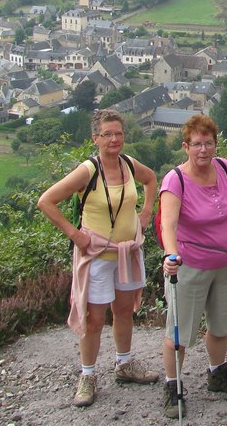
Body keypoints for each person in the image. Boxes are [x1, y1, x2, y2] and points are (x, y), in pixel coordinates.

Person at [37, 109, 159, 408]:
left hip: (127, 253)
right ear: (96, 138)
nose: (114, 139)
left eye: (118, 133)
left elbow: (152, 179)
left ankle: (124, 363)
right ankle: (88, 375)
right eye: (107, 134)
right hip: (98, 257)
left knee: (124, 311)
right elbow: (46, 201)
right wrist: (76, 235)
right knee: (94, 319)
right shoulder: (88, 171)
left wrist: (145, 212)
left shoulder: (129, 165)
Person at [159, 115, 227, 417]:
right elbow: (168, 225)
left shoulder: (225, 168)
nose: (203, 149)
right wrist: (171, 255)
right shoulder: (176, 179)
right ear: (186, 146)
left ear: (215, 145)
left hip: (226, 263)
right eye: (197, 144)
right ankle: (173, 388)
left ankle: (218, 373)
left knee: (220, 325)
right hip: (191, 267)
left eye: (208, 143)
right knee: (180, 333)